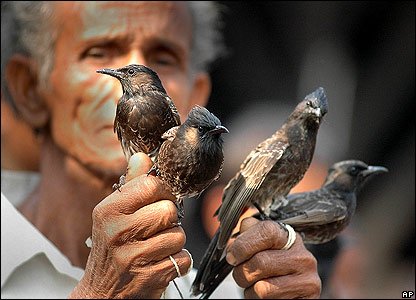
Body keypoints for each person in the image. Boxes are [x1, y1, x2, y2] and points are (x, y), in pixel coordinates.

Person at [1, 1, 321, 298]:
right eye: (99, 52)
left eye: (164, 58)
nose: (131, 66)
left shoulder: (228, 290)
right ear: (30, 87)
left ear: (196, 95)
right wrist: (99, 292)